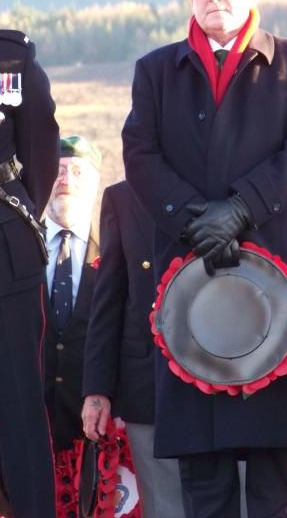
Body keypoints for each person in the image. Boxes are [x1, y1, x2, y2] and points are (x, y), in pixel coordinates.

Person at [120, 0, 287, 517]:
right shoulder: (155, 70)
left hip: (274, 286)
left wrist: (239, 210)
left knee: (270, 479)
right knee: (203, 476)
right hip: (187, 283)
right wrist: (198, 221)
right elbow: (139, 154)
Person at [82, 180, 185, 518]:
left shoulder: (227, 187)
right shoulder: (122, 198)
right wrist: (97, 390)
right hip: (148, 388)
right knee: (164, 509)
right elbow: (109, 299)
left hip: (222, 382)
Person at [0, 28, 59, 517]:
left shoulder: (6, 61)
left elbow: (40, 153)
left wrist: (15, 216)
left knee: (21, 417)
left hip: (2, 257)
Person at [44, 135, 101, 454]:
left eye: (78, 171)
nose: (66, 179)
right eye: (58, 170)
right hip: (21, 426)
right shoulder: (17, 246)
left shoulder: (113, 252)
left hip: (91, 434)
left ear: (95, 185)